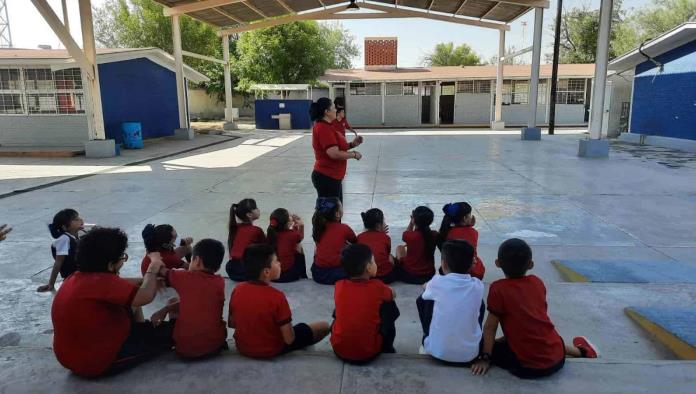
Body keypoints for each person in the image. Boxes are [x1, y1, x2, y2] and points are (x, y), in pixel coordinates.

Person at [51, 227, 174, 377]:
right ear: (110, 265)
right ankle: (141, 338)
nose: (123, 260)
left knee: (131, 301)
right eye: (122, 257)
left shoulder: (77, 277)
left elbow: (119, 284)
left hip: (69, 356)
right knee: (171, 334)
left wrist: (144, 280)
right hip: (97, 361)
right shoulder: (103, 282)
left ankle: (140, 332)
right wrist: (153, 268)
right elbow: (145, 296)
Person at [471, 238, 599, 379]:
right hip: (556, 358)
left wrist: (485, 358)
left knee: (481, 344)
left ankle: (580, 351)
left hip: (528, 367)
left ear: (497, 263)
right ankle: (581, 351)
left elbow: (490, 328)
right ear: (531, 265)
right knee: (545, 335)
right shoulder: (537, 283)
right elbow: (529, 321)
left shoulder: (499, 289)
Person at [228, 244, 330, 359]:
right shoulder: (277, 297)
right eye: (276, 261)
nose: (280, 263)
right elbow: (289, 339)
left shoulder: (237, 290)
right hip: (271, 349)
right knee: (324, 326)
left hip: (243, 347)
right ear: (266, 272)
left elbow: (232, 324)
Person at [417, 240, 484, 365]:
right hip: (471, 354)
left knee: (423, 299)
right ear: (472, 264)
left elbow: (425, 292)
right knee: (479, 303)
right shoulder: (477, 285)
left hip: (438, 352)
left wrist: (427, 286)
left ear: (443, 264)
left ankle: (428, 334)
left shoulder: (436, 282)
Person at [159, 238, 228, 359]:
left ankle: (175, 341)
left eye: (191, 260)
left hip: (185, 350)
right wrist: (165, 309)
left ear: (197, 261)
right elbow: (197, 301)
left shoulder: (183, 277)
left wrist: (154, 258)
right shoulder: (220, 282)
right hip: (214, 346)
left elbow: (162, 271)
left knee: (173, 300)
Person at [331, 244, 400, 364]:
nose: (375, 264)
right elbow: (392, 294)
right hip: (368, 353)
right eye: (373, 261)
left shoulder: (339, 285)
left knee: (343, 309)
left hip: (339, 350)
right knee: (389, 306)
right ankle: (388, 347)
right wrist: (388, 290)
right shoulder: (377, 286)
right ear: (368, 268)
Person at [309, 97, 363, 202]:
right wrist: (354, 154)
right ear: (327, 112)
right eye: (333, 108)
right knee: (330, 214)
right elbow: (333, 153)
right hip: (327, 177)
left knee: (335, 212)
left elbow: (337, 147)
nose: (335, 110)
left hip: (333, 176)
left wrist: (352, 144)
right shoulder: (323, 128)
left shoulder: (329, 126)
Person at [311, 197, 357, 285]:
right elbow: (355, 241)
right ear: (337, 214)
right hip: (339, 273)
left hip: (318, 274)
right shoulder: (344, 228)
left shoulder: (318, 228)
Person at [38, 209, 84, 292]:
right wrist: (51, 284)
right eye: (76, 219)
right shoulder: (64, 239)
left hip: (79, 274)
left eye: (79, 218)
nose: (81, 220)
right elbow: (58, 263)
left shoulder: (76, 235)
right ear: (65, 227)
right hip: (72, 277)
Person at [437, 202, 485, 280]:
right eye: (470, 214)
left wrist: (468, 225)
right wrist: (469, 226)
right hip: (473, 272)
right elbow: (466, 234)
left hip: (453, 269)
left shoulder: (447, 232)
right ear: (464, 218)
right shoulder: (473, 232)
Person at [394, 206, 438, 284]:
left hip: (410, 275)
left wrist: (411, 222)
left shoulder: (411, 236)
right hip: (429, 275)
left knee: (399, 248)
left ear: (414, 220)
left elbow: (406, 234)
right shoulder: (434, 234)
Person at [226, 198, 266, 281]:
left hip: (231, 269)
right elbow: (267, 248)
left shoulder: (234, 228)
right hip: (246, 271)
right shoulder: (256, 230)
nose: (258, 210)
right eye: (256, 208)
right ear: (249, 214)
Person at [267, 208, 307, 283]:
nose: (291, 216)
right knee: (299, 246)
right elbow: (300, 238)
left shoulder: (270, 234)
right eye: (289, 216)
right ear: (288, 223)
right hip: (288, 276)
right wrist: (301, 226)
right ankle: (303, 274)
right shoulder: (292, 234)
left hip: (272, 276)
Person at [357, 208, 395, 283]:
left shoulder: (360, 237)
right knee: (391, 256)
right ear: (378, 225)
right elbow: (386, 253)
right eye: (383, 221)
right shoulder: (386, 237)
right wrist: (382, 234)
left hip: (365, 276)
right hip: (385, 277)